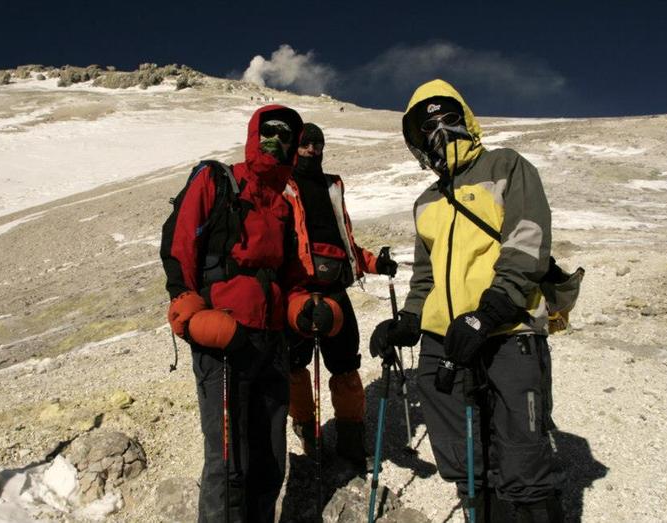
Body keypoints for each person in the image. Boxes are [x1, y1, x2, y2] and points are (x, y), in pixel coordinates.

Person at [370, 79, 564, 522]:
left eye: (448, 117)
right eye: (427, 126)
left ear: (467, 119)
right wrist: (408, 321)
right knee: (465, 458)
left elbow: (527, 239)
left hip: (506, 329)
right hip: (445, 341)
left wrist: (491, 308)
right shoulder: (426, 202)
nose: (439, 130)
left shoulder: (507, 166)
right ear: (416, 142)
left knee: (522, 456)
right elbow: (426, 277)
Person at [160, 105, 303, 522]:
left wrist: (305, 307)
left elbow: (290, 273)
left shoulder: (283, 204)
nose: (277, 142)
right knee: (228, 463)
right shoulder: (216, 180)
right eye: (269, 132)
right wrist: (190, 314)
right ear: (254, 135)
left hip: (271, 342)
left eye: (286, 136)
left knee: (270, 459)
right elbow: (178, 249)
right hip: (223, 338)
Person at [283, 123, 398, 471]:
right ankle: (307, 431)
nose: (311, 150)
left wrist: (377, 263)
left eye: (317, 144)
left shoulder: (333, 186)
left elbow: (344, 245)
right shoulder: (281, 187)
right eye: (305, 144)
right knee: (294, 366)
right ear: (294, 147)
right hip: (297, 290)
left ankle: (350, 439)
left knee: (346, 366)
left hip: (335, 289)